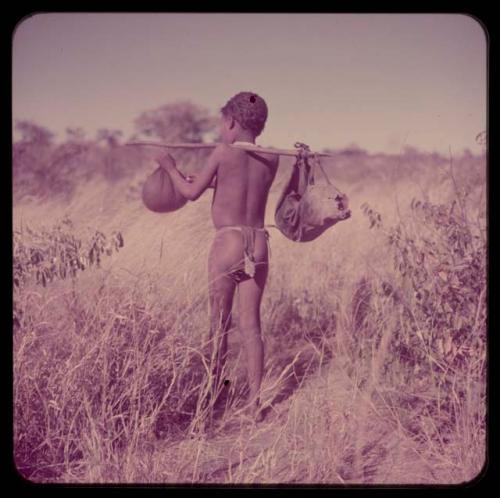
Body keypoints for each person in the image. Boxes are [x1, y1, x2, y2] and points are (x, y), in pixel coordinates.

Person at [157, 92, 279, 422]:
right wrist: (210, 182)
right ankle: (254, 406)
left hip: (227, 242)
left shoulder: (223, 152)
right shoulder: (272, 157)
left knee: (219, 327)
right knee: (252, 327)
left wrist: (170, 169)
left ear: (231, 123)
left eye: (221, 126)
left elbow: (189, 195)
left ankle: (213, 400)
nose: (220, 132)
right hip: (259, 243)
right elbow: (242, 185)